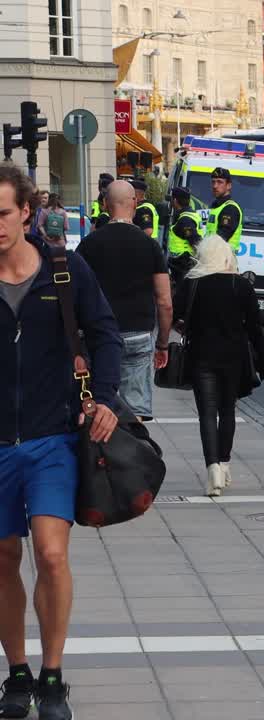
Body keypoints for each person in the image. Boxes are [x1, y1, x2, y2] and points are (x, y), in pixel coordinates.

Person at [0, 165, 121, 720]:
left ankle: (52, 677)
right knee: (3, 559)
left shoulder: (65, 270)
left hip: (52, 438)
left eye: (3, 213)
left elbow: (106, 335)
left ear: (26, 211)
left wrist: (108, 401)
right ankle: (17, 675)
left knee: (50, 554)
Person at [77, 180, 173, 422]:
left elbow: (74, 294)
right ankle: (135, 453)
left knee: (97, 406)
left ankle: (101, 457)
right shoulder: (150, 246)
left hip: (98, 335)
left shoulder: (89, 245)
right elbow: (164, 300)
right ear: (135, 203)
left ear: (106, 205)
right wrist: (162, 344)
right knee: (135, 412)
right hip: (138, 334)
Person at [174, 236, 263, 496]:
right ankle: (224, 463)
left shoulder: (192, 283)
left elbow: (177, 315)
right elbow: (255, 325)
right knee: (227, 412)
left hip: (201, 355)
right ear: (226, 257)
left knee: (206, 414)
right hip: (233, 357)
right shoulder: (241, 285)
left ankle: (211, 466)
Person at [166, 187, 203, 280]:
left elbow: (195, 240)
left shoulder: (185, 219)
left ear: (175, 200)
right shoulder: (190, 214)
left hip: (183, 264)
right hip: (184, 263)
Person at [208, 167, 243, 253]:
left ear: (229, 186)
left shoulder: (230, 209)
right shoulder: (217, 206)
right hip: (214, 258)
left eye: (220, 182)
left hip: (223, 260)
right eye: (213, 182)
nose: (215, 186)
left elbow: (221, 238)